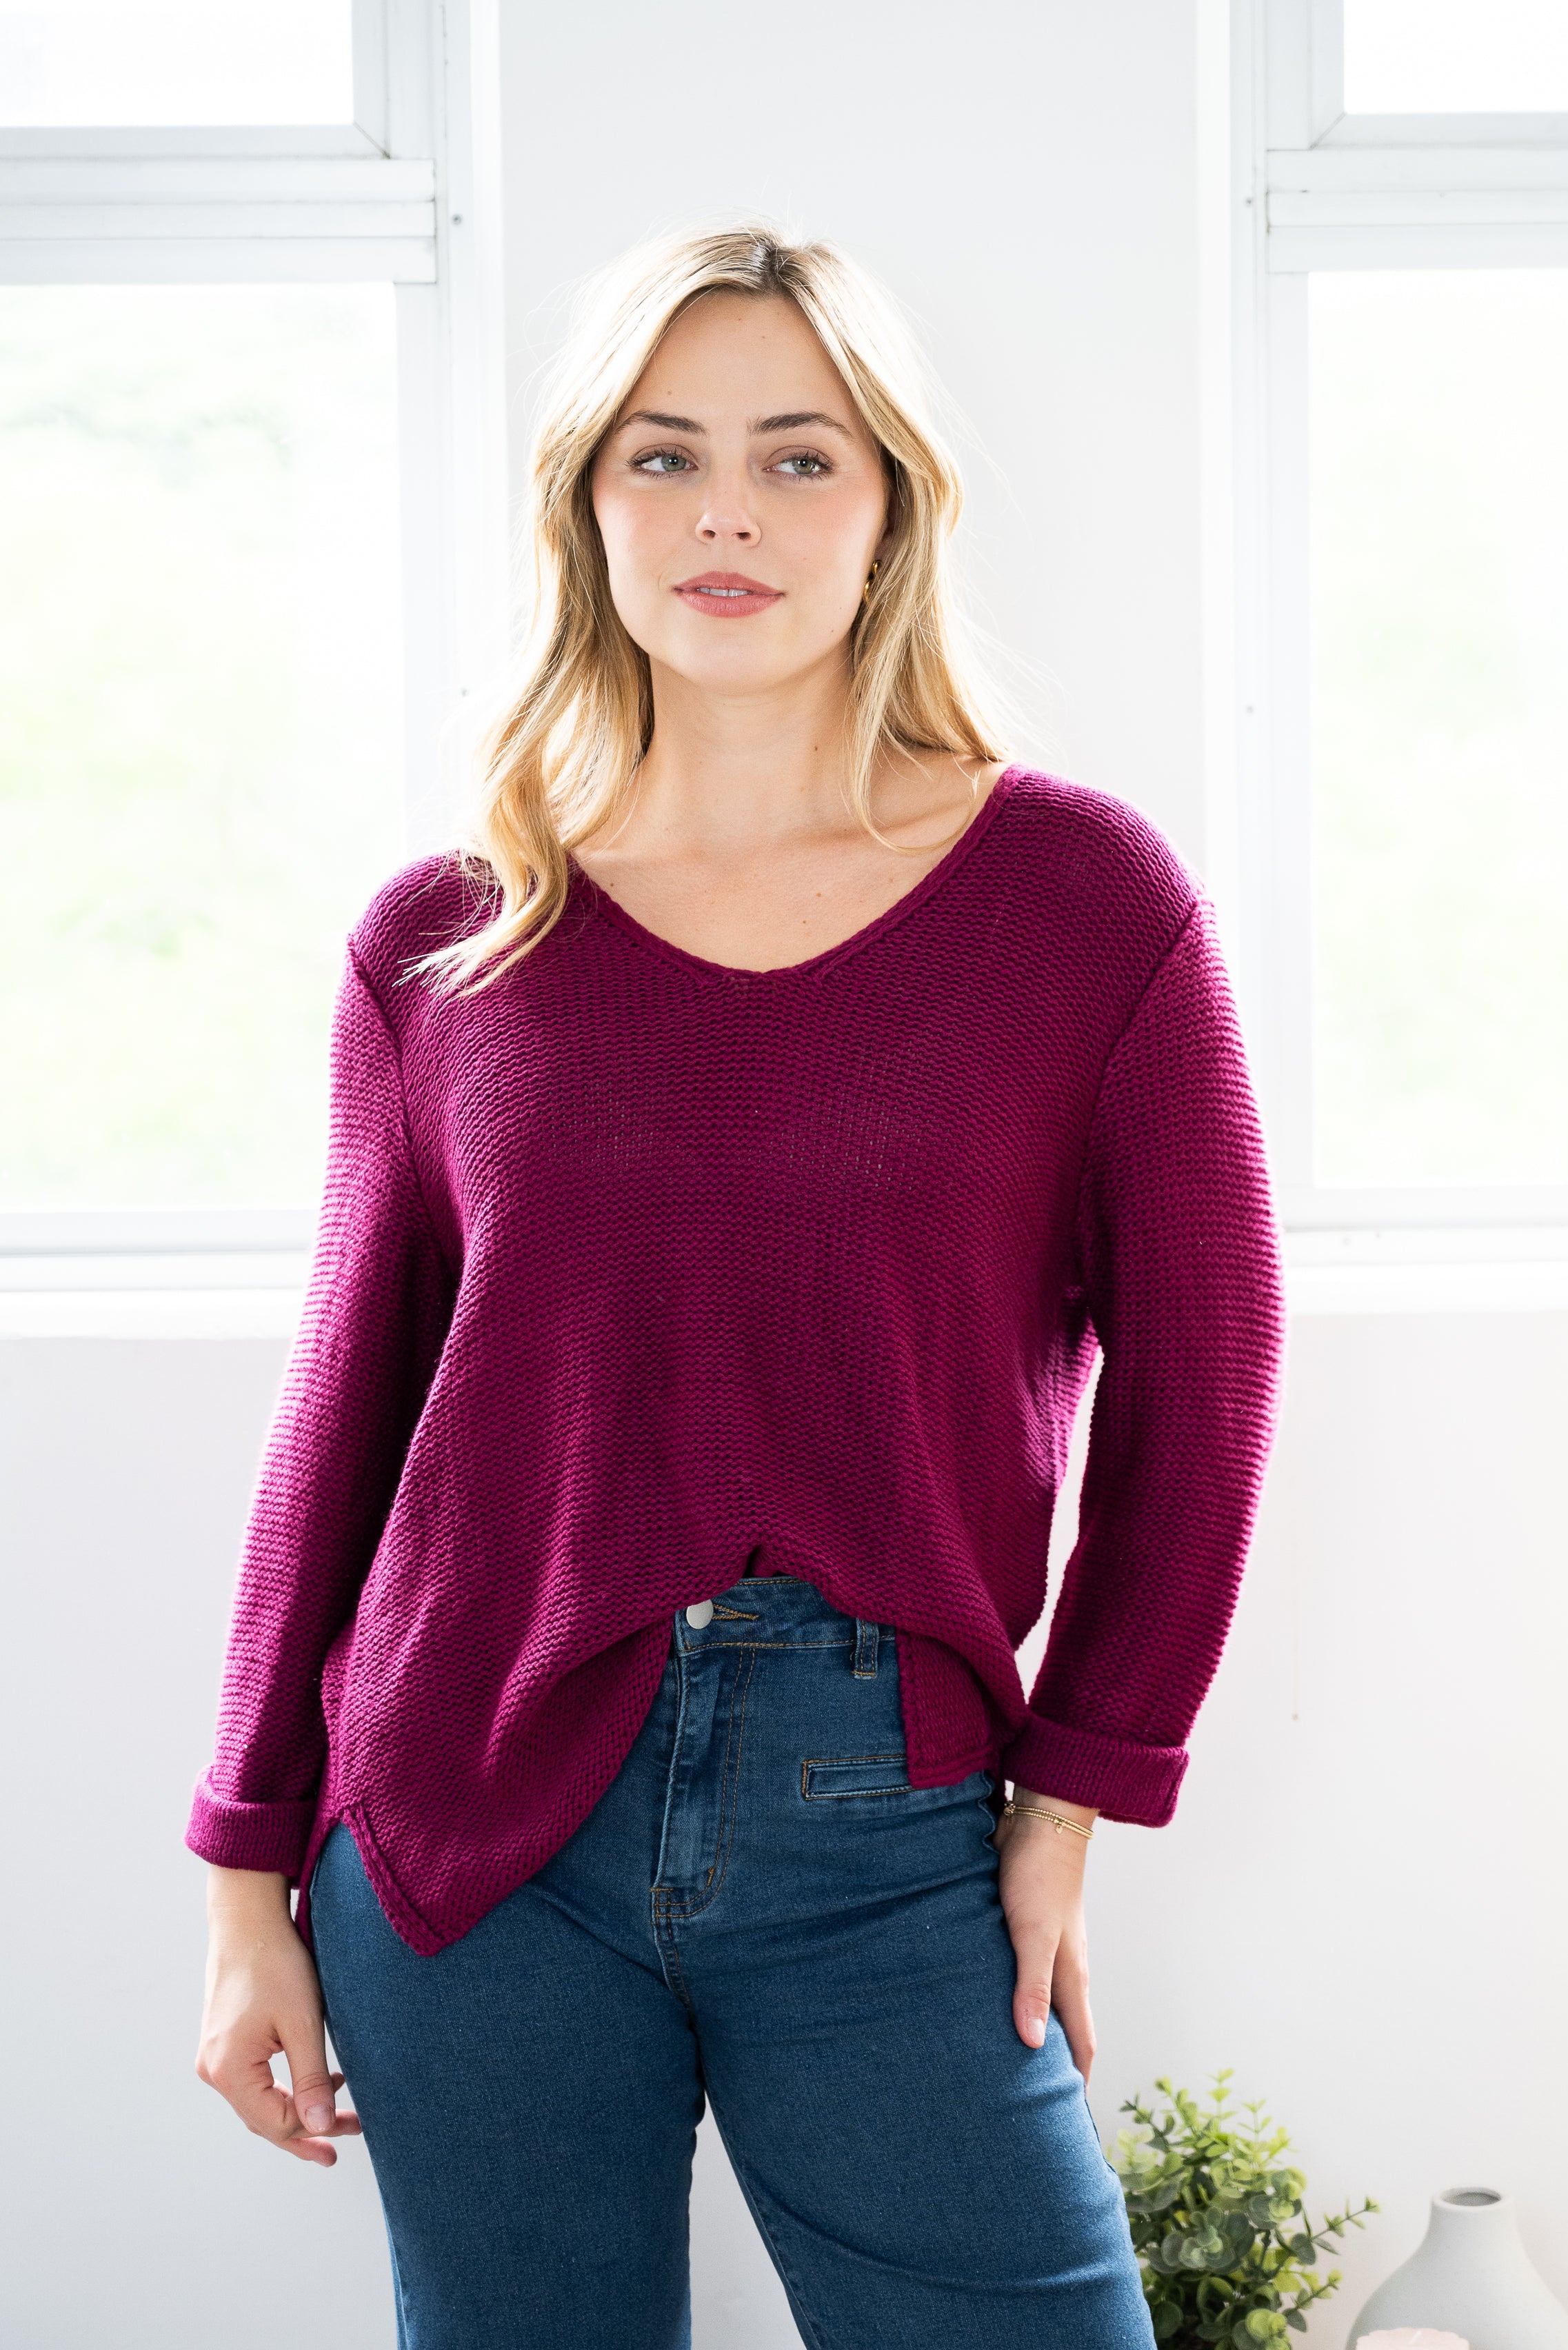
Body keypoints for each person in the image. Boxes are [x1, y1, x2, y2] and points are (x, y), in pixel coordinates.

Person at [189, 223, 1284, 2350]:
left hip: (882, 1820)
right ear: (585, 506)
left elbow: (1208, 1388)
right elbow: (343, 1423)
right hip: (469, 1824)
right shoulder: (446, 937)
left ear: (889, 508)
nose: (725, 515)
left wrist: (1072, 1794)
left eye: (797, 458)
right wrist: (246, 1875)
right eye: (663, 457)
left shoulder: (1082, 903)